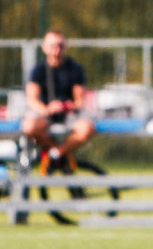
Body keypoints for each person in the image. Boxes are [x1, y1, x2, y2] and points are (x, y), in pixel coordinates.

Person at [21, 31, 97, 174]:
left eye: (60, 45)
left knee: (87, 128)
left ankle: (55, 154)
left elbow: (80, 100)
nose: (56, 49)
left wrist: (71, 106)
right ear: (44, 47)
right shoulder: (38, 70)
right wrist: (47, 109)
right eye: (52, 45)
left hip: (69, 115)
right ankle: (61, 153)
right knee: (29, 127)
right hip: (45, 114)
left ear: (65, 47)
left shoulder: (75, 69)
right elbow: (32, 99)